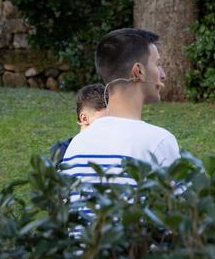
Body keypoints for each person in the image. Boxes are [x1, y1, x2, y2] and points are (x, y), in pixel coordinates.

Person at [60, 28, 180, 187]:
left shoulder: (76, 145)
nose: (163, 75)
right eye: (158, 64)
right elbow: (179, 201)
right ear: (138, 71)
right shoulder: (159, 142)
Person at [49, 84, 108, 163]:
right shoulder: (62, 151)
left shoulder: (113, 149)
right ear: (84, 119)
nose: (110, 124)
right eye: (104, 120)